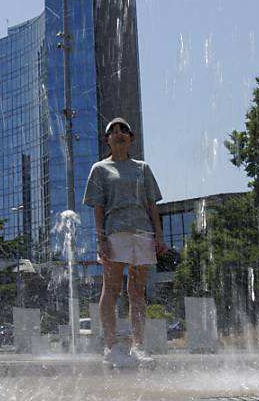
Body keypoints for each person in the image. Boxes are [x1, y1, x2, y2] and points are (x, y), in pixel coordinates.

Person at [83, 117, 166, 369]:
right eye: (113, 130)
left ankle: (138, 346)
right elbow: (98, 207)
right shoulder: (100, 169)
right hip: (115, 233)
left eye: (123, 130)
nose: (118, 133)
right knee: (111, 289)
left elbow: (152, 204)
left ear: (131, 139)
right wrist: (101, 240)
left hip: (142, 232)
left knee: (137, 291)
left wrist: (159, 235)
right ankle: (111, 346)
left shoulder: (142, 168)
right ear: (106, 139)